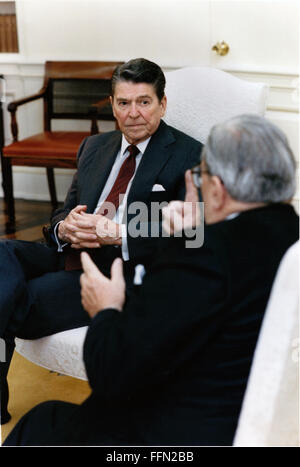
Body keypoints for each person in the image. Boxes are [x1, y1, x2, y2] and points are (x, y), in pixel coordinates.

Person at [3, 114, 298, 446]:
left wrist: (106, 309)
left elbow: (112, 372)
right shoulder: (290, 237)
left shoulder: (203, 257)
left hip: (171, 434)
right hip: (226, 409)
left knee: (41, 423)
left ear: (216, 188)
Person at [0, 58, 202, 424]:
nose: (134, 113)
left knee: (22, 296)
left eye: (144, 101)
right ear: (112, 105)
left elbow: (193, 236)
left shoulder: (190, 155)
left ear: (163, 104)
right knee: (2, 251)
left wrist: (120, 233)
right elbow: (62, 212)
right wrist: (65, 228)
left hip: (116, 273)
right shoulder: (94, 147)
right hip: (67, 253)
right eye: (124, 103)